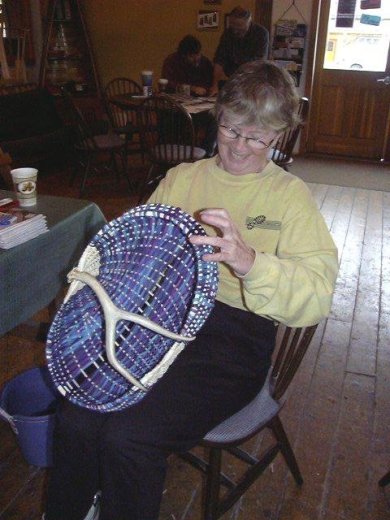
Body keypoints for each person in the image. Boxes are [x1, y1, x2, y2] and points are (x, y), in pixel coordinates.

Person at [45, 61, 338, 520]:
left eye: (258, 137)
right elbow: (134, 258)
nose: (241, 147)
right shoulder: (182, 179)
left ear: (279, 136)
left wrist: (250, 262)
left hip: (235, 338)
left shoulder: (289, 196)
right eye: (231, 128)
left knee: (129, 436)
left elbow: (318, 294)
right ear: (216, 116)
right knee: (76, 415)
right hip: (161, 321)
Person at [210, 6, 269, 95]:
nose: (235, 30)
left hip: (252, 79)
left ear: (249, 21)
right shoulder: (228, 33)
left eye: (239, 26)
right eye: (232, 24)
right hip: (232, 78)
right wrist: (215, 85)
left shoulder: (261, 33)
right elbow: (219, 60)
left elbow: (259, 62)